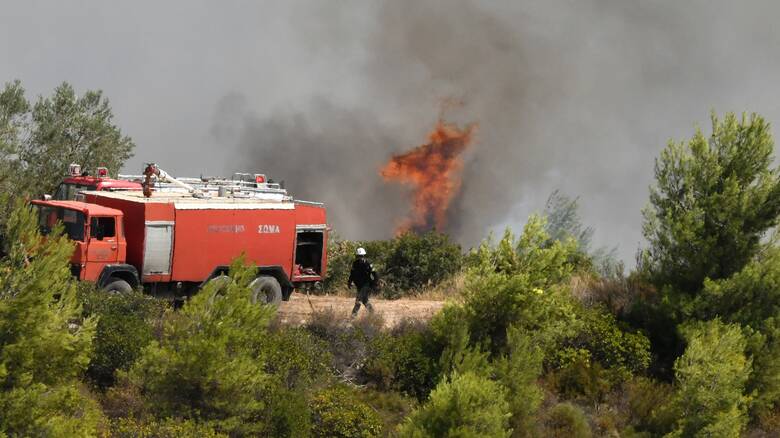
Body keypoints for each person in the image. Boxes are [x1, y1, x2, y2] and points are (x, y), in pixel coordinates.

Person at [348, 247, 378, 317]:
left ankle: (353, 316)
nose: (360, 257)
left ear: (364, 256)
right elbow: (352, 274)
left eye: (361, 256)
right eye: (358, 256)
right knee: (365, 301)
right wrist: (349, 282)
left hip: (366, 285)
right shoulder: (355, 263)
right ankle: (372, 314)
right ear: (356, 256)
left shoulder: (368, 263)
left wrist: (375, 284)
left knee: (358, 300)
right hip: (359, 285)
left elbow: (375, 274)